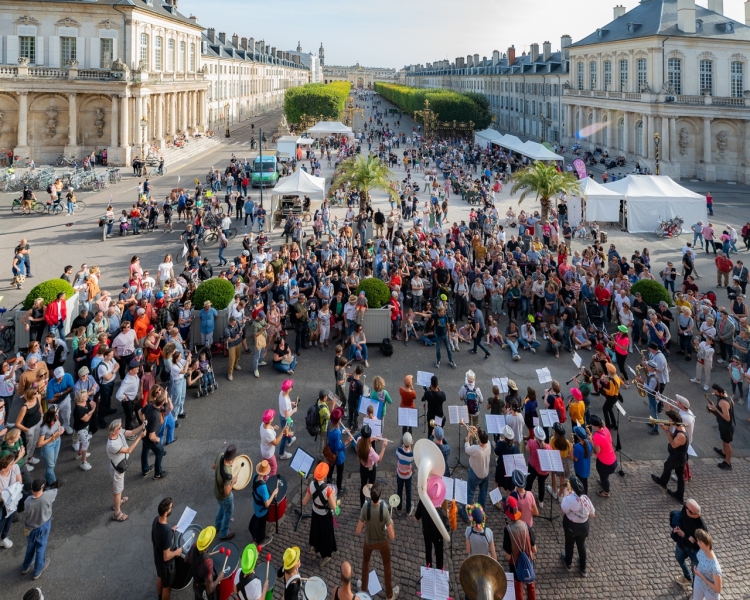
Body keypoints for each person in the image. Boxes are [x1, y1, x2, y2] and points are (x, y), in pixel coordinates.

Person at [356, 481, 399, 600]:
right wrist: (390, 522)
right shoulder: (384, 510)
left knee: (365, 563)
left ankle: (363, 590)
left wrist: (365, 521)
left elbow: (358, 531)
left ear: (370, 495)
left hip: (369, 542)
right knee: (386, 565)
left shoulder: (365, 507)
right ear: (379, 496)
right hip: (382, 543)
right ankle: (389, 595)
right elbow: (392, 536)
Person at [106, 418, 146, 521]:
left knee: (116, 488)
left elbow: (132, 432)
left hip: (116, 466)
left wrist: (142, 426)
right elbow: (129, 450)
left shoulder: (119, 433)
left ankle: (118, 502)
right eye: (119, 427)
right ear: (114, 431)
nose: (121, 428)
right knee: (118, 490)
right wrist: (140, 437)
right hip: (117, 469)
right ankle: (117, 512)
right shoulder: (112, 445)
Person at [301, 461, 337, 567]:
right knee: (325, 536)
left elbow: (304, 502)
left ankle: (313, 546)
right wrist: (334, 495)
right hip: (324, 515)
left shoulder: (311, 485)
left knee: (315, 530)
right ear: (325, 476)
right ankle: (325, 556)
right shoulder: (328, 489)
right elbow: (334, 507)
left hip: (315, 513)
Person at [502, 495, 537, 600]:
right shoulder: (526, 525)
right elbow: (534, 548)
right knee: (531, 586)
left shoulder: (508, 530)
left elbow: (508, 556)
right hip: (528, 562)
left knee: (518, 589)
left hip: (515, 565)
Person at [21, 479, 56, 580]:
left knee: (30, 547)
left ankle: (25, 566)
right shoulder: (46, 497)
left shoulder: (27, 501)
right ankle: (38, 570)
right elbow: (55, 490)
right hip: (42, 526)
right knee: (40, 547)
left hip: (29, 527)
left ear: (32, 489)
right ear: (42, 488)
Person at [560, 476, 595, 577]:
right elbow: (593, 514)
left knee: (569, 544)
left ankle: (568, 563)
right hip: (584, 526)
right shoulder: (586, 498)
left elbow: (563, 510)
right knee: (581, 545)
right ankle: (583, 568)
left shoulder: (569, 499)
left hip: (571, 525)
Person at [650, 410, 689, 503]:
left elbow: (673, 444)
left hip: (677, 457)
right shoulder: (679, 427)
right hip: (680, 456)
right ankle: (679, 495)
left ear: (674, 421)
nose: (668, 420)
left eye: (669, 419)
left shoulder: (681, 434)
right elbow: (673, 437)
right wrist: (664, 428)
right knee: (680, 475)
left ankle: (664, 483)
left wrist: (667, 430)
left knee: (668, 466)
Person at [414, 475, 449, 569]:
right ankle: (439, 569)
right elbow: (447, 529)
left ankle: (428, 567)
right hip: (438, 537)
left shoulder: (422, 502)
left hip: (426, 532)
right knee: (439, 555)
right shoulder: (441, 513)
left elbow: (416, 518)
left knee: (428, 551)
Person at [672, 499, 708, 585]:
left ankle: (695, 592)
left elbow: (701, 545)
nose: (685, 509)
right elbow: (678, 517)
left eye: (686, 507)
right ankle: (687, 577)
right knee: (679, 558)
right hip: (682, 544)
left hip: (695, 551)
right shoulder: (685, 510)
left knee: (695, 572)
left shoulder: (702, 528)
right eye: (685, 506)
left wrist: (684, 535)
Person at [152, 497, 182, 600]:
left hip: (157, 558)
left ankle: (159, 597)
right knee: (167, 587)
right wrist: (177, 552)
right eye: (170, 508)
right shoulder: (166, 532)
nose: (172, 508)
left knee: (160, 577)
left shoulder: (156, 520)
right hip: (166, 566)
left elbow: (152, 538)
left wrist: (170, 529)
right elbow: (167, 556)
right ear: (165, 513)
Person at [461, 427, 490, 520]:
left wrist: (468, 437)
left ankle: (466, 515)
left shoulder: (476, 449)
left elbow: (467, 449)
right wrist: (477, 430)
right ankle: (482, 512)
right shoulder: (488, 444)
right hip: (485, 473)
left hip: (475, 474)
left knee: (470, 493)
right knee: (483, 493)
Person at [188, 526, 224, 600]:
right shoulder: (208, 563)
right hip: (203, 589)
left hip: (195, 585)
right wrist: (218, 578)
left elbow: (186, 559)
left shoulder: (194, 546)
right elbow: (210, 590)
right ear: (209, 544)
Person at [357, 424, 388, 506]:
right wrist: (383, 447)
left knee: (363, 485)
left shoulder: (359, 440)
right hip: (370, 470)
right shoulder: (370, 450)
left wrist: (373, 439)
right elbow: (379, 459)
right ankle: (371, 504)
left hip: (362, 467)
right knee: (372, 486)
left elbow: (365, 441)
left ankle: (362, 505)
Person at [249, 459, 278, 547]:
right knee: (261, 528)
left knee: (254, 524)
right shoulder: (263, 487)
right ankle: (260, 541)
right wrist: (274, 493)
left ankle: (256, 538)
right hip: (262, 511)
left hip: (256, 506)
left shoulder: (254, 477)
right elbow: (267, 504)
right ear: (266, 473)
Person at [213, 444, 238, 541]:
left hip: (216, 491)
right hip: (224, 496)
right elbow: (227, 492)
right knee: (228, 512)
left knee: (221, 507)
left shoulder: (220, 456)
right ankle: (223, 533)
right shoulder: (228, 474)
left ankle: (218, 525)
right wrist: (233, 481)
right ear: (233, 458)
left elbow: (213, 466)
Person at [707, 384, 735, 470]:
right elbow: (733, 404)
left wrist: (715, 408)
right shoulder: (726, 395)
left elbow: (727, 418)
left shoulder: (723, 402)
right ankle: (723, 452)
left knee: (727, 443)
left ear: (720, 392)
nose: (714, 393)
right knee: (724, 441)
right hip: (723, 425)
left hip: (726, 426)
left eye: (715, 392)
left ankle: (728, 462)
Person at [589, 415, 617, 498]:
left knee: (604, 477)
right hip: (612, 459)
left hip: (605, 463)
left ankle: (606, 492)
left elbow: (597, 451)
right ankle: (603, 482)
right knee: (604, 476)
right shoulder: (606, 429)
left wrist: (591, 440)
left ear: (594, 426)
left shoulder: (597, 436)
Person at [693, 529, 723, 600]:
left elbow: (718, 589)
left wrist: (701, 575)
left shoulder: (715, 568)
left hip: (711, 592)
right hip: (699, 582)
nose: (698, 543)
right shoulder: (702, 550)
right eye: (697, 541)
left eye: (700, 542)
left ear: (708, 545)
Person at [493, 426, 519, 498]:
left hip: (501, 468)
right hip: (510, 471)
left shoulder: (501, 444)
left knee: (498, 484)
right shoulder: (516, 447)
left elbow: (496, 452)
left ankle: (497, 499)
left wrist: (499, 442)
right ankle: (509, 501)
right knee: (509, 488)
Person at [277, 379, 297, 460]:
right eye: (291, 387)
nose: (292, 387)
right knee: (285, 435)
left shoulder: (282, 393)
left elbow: (286, 403)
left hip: (285, 418)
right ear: (288, 389)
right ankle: (282, 454)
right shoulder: (284, 401)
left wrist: (291, 403)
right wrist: (293, 410)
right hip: (286, 420)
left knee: (290, 430)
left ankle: (290, 440)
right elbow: (287, 416)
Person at [395, 432, 414, 516]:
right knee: (408, 491)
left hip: (400, 474)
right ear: (410, 443)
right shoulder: (411, 455)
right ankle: (408, 509)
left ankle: (399, 508)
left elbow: (396, 457)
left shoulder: (399, 450)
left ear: (403, 441)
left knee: (399, 490)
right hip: (408, 475)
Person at [571, 426, 593, 495]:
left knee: (579, 484)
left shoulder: (577, 447)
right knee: (585, 483)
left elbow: (575, 459)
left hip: (579, 470)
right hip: (586, 469)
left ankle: (581, 496)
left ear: (578, 436)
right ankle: (585, 494)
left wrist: (571, 449)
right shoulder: (588, 443)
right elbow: (591, 454)